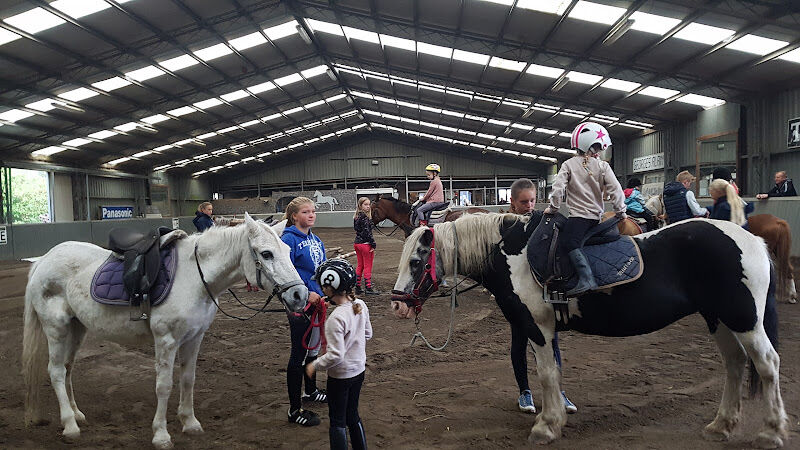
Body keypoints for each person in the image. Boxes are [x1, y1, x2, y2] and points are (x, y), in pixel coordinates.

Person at [507, 178, 577, 414]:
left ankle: (558, 391)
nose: (529, 205)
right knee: (519, 342)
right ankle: (524, 392)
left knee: (552, 341)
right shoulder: (507, 227)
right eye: (524, 202)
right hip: (521, 296)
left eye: (532, 200)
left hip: (547, 290)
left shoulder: (543, 220)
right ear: (513, 202)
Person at [544, 122, 626, 296]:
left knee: (568, 242)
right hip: (596, 217)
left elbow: (558, 189)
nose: (599, 151)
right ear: (591, 146)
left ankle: (586, 278)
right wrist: (620, 211)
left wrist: (553, 208)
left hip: (579, 218)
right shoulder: (603, 166)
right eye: (598, 147)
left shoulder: (568, 164)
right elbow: (616, 189)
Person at [307, 259, 372, 450]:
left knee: (337, 420)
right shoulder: (360, 304)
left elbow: (336, 356)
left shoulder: (336, 318)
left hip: (340, 377)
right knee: (352, 415)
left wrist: (315, 365)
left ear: (329, 289)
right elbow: (368, 334)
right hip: (358, 371)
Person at [281, 197, 328, 426]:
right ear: (294, 216)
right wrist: (307, 291)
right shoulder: (288, 239)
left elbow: (322, 268)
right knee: (298, 354)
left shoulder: (316, 239)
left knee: (314, 349)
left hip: (318, 302)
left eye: (313, 211)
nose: (311, 215)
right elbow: (286, 272)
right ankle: (294, 409)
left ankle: (310, 391)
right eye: (306, 212)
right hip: (300, 304)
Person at [353, 197, 378, 295]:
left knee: (360, 265)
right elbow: (367, 233)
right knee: (368, 266)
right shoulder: (365, 217)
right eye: (365, 205)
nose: (368, 207)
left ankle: (357, 286)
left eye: (368, 204)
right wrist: (373, 244)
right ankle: (368, 287)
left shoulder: (356, 217)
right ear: (360, 206)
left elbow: (357, 230)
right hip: (365, 244)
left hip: (357, 244)